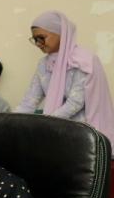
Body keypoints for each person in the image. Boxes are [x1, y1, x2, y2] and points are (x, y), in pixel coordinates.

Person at [15, 10, 114, 143]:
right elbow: (30, 100)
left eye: (41, 37)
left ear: (61, 33)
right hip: (56, 129)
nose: (38, 43)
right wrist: (11, 122)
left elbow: (75, 103)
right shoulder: (44, 64)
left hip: (85, 133)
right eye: (35, 39)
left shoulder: (83, 61)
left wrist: (46, 124)